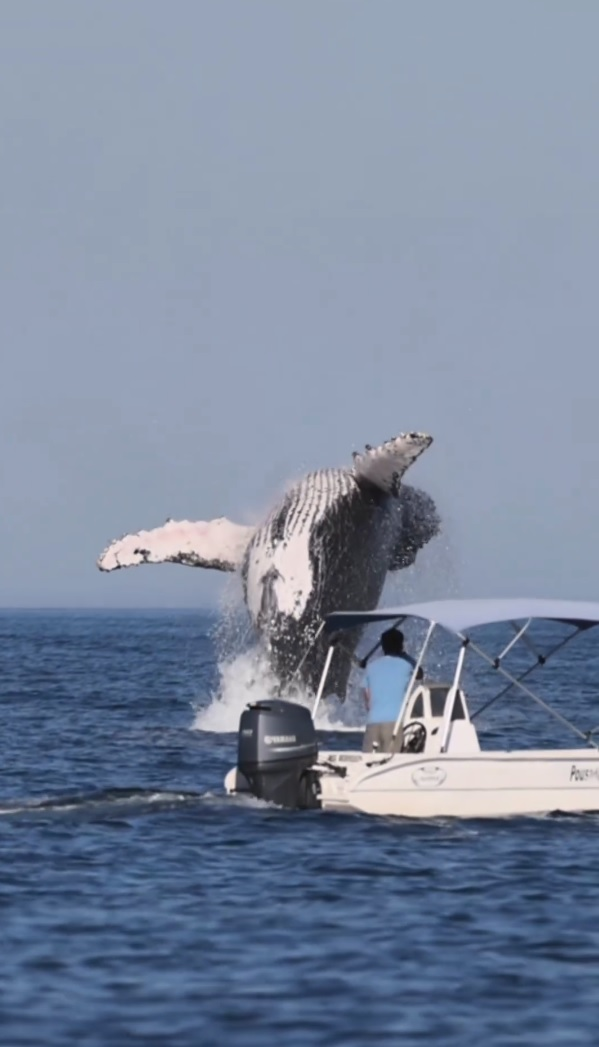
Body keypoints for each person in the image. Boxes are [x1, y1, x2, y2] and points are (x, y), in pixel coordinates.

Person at [362, 627, 423, 753]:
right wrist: (404, 655)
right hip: (395, 722)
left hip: (372, 723)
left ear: (383, 646)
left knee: (368, 764)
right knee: (390, 765)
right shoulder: (407, 664)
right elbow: (420, 674)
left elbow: (368, 702)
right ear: (401, 645)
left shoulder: (371, 667)